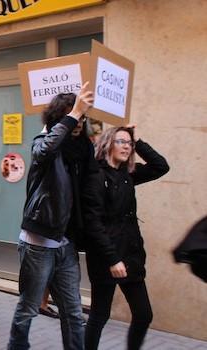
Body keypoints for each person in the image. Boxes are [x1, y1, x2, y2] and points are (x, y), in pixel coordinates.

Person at [7, 84, 95, 350]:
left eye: (82, 117)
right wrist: (74, 113)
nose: (79, 121)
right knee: (29, 308)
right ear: (60, 118)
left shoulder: (81, 153)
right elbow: (44, 150)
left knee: (73, 313)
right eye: (73, 116)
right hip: (38, 243)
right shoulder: (43, 145)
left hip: (65, 245)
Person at [83, 126, 169, 350]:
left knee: (143, 315)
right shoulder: (95, 175)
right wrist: (112, 259)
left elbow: (161, 166)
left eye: (129, 144)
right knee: (99, 315)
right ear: (108, 143)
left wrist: (138, 140)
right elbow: (93, 224)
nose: (127, 146)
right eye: (121, 141)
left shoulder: (128, 173)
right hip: (105, 256)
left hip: (130, 254)